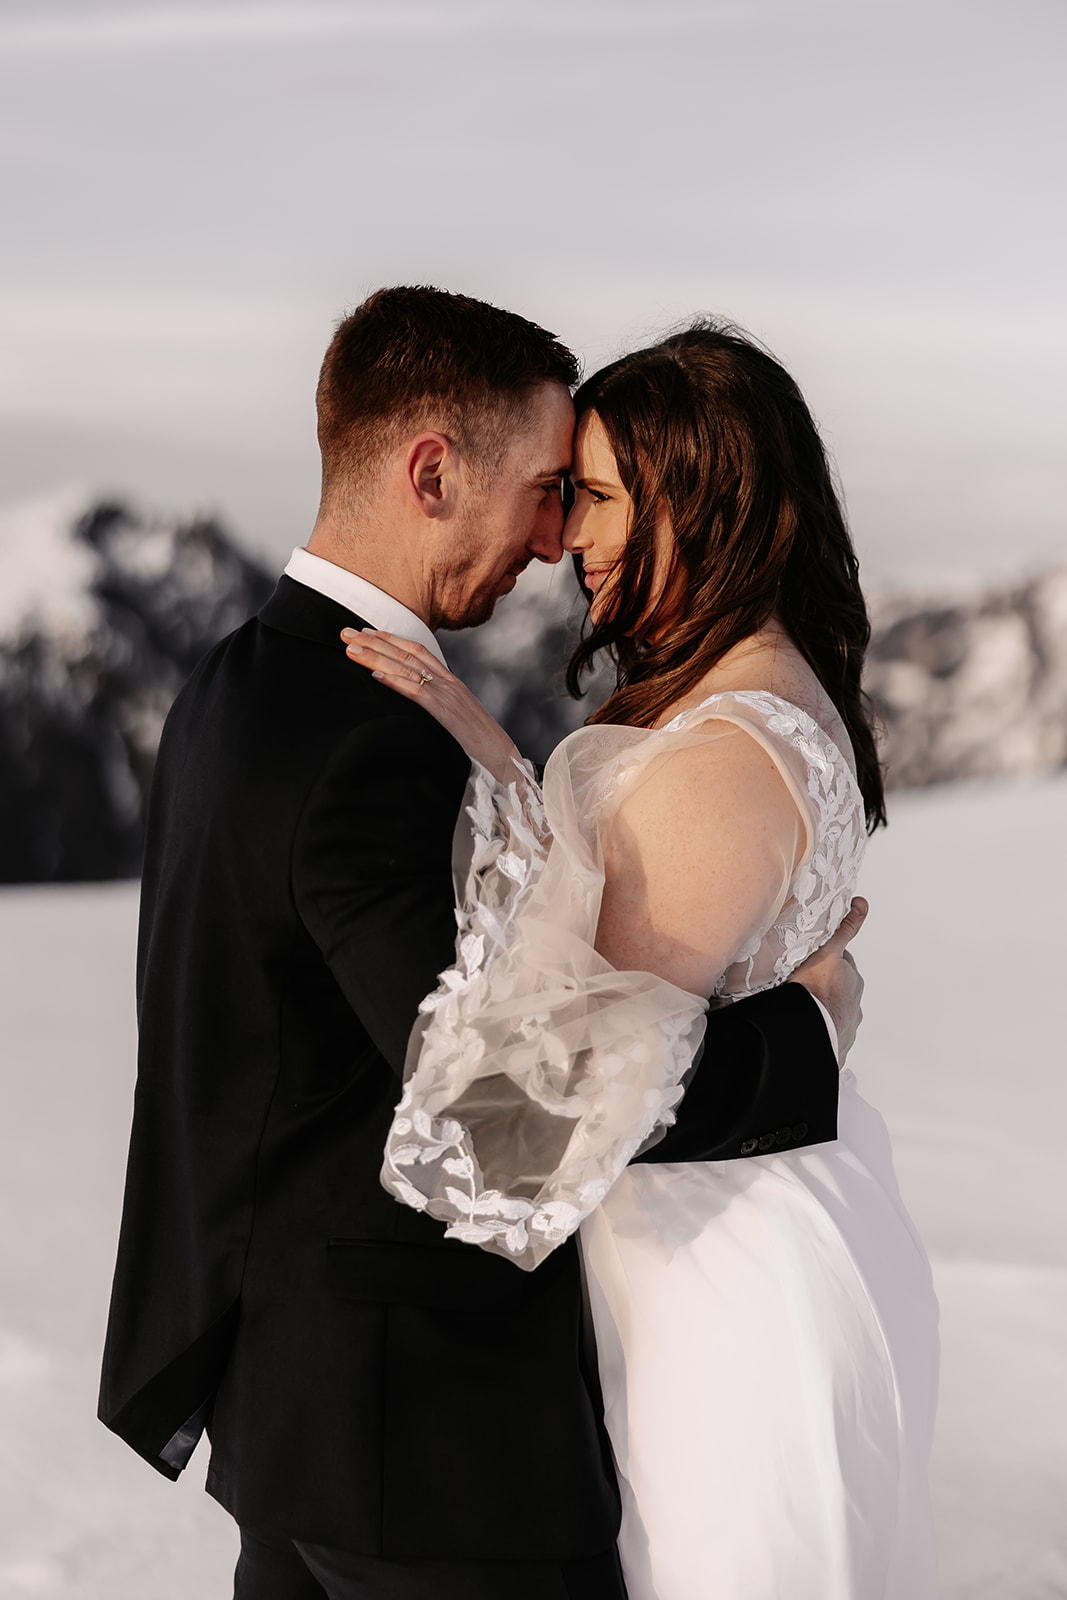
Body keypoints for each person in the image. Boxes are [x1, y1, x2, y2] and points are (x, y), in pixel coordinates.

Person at [99, 289, 863, 1600]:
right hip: (431, 1439)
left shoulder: (233, 683)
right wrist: (806, 1030)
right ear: (432, 471)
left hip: (296, 1409)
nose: (557, 540)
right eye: (550, 488)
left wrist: (505, 782)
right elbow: (516, 1112)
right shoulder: (369, 742)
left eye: (587, 499)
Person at [346, 320, 940, 1598]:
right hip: (702, 1250)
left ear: (706, 499)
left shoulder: (722, 759)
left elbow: (538, 1123)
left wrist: (809, 1028)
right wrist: (499, 759)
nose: (569, 539)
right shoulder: (735, 703)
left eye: (602, 495)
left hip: (721, 1290)